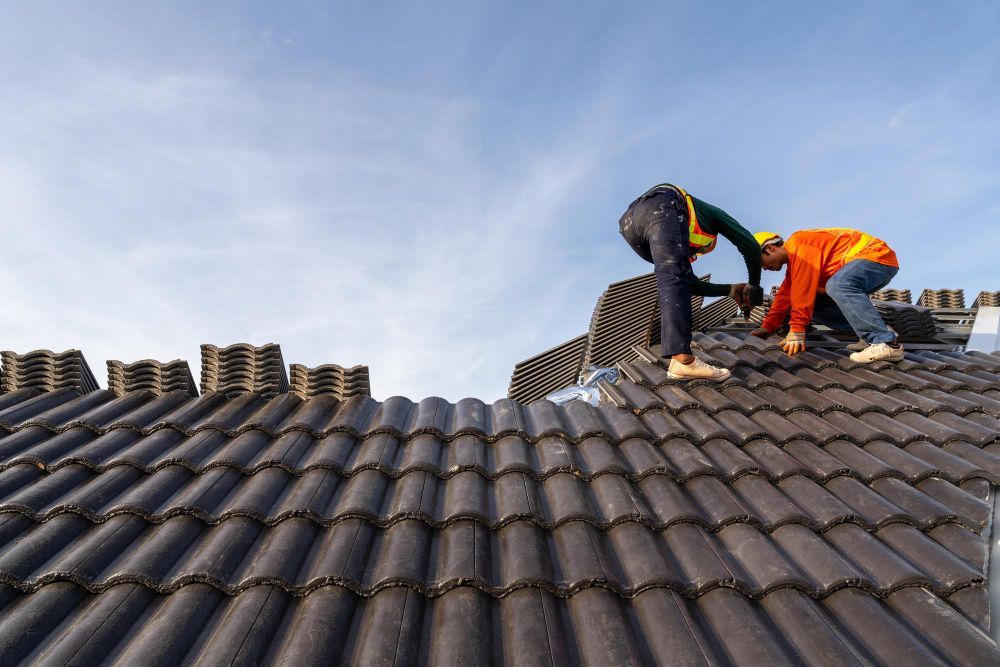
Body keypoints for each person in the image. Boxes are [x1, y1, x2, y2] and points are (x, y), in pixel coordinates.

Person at [619, 183, 762, 380]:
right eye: (697, 250)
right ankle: (683, 360)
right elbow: (751, 246)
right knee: (674, 274)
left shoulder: (675, 234)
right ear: (707, 239)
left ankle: (680, 357)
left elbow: (690, 284)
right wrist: (754, 286)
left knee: (676, 276)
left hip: (631, 223)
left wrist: (731, 290)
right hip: (663, 202)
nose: (693, 255)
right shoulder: (712, 215)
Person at [749, 229, 903, 362]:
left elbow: (803, 289)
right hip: (866, 266)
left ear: (769, 248)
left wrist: (797, 330)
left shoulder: (799, 242)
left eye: (760, 263)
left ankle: (886, 343)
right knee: (816, 302)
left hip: (876, 256)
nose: (764, 268)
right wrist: (767, 327)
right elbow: (784, 296)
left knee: (838, 285)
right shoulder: (794, 266)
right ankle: (875, 330)